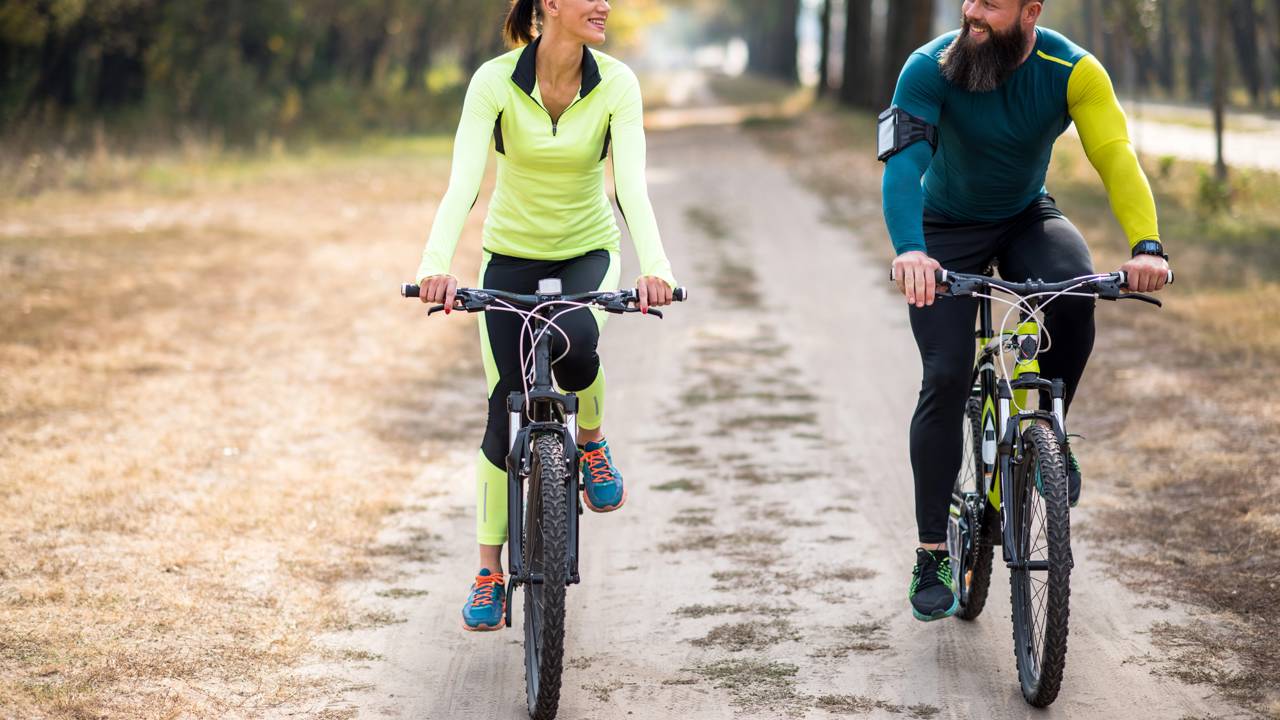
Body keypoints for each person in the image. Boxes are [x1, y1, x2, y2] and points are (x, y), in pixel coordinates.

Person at [879, 0, 1171, 622]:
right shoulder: (928, 67)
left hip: (1024, 216)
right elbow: (904, 164)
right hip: (942, 227)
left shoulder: (1072, 70)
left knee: (1075, 288)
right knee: (946, 374)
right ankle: (932, 550)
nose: (971, 11)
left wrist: (1147, 245)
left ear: (1031, 10)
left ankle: (1049, 433)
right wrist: (910, 251)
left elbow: (1115, 154)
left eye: (990, 3)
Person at [414, 0, 677, 631]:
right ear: (549, 6)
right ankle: (488, 571)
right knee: (504, 403)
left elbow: (631, 187)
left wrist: (656, 267)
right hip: (509, 257)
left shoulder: (616, 83)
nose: (604, 5)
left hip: (587, 251)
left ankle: (590, 443)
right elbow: (464, 183)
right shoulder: (494, 82)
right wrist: (435, 264)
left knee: (577, 343)